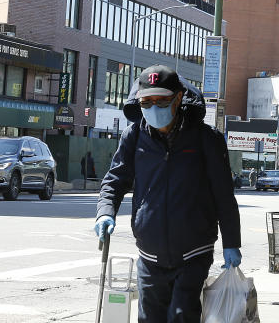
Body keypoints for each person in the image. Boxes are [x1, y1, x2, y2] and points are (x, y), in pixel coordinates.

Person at [94, 65, 241, 323]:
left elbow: (223, 193)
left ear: (179, 98)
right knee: (151, 319)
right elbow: (115, 180)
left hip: (194, 251)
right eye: (146, 102)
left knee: (181, 315)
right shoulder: (134, 136)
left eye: (161, 101)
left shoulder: (206, 139)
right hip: (150, 254)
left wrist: (231, 242)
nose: (153, 108)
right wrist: (105, 213)